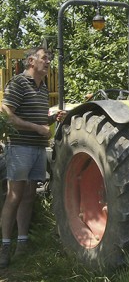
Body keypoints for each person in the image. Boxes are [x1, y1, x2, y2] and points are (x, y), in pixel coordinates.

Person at [0, 47, 65, 268]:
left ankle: (23, 243)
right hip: (20, 147)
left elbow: (39, 120)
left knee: (29, 196)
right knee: (14, 196)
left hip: (37, 148)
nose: (48, 62)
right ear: (31, 61)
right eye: (44, 58)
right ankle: (5, 245)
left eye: (49, 59)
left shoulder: (43, 87)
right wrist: (36, 128)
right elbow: (7, 113)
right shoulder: (19, 83)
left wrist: (53, 118)